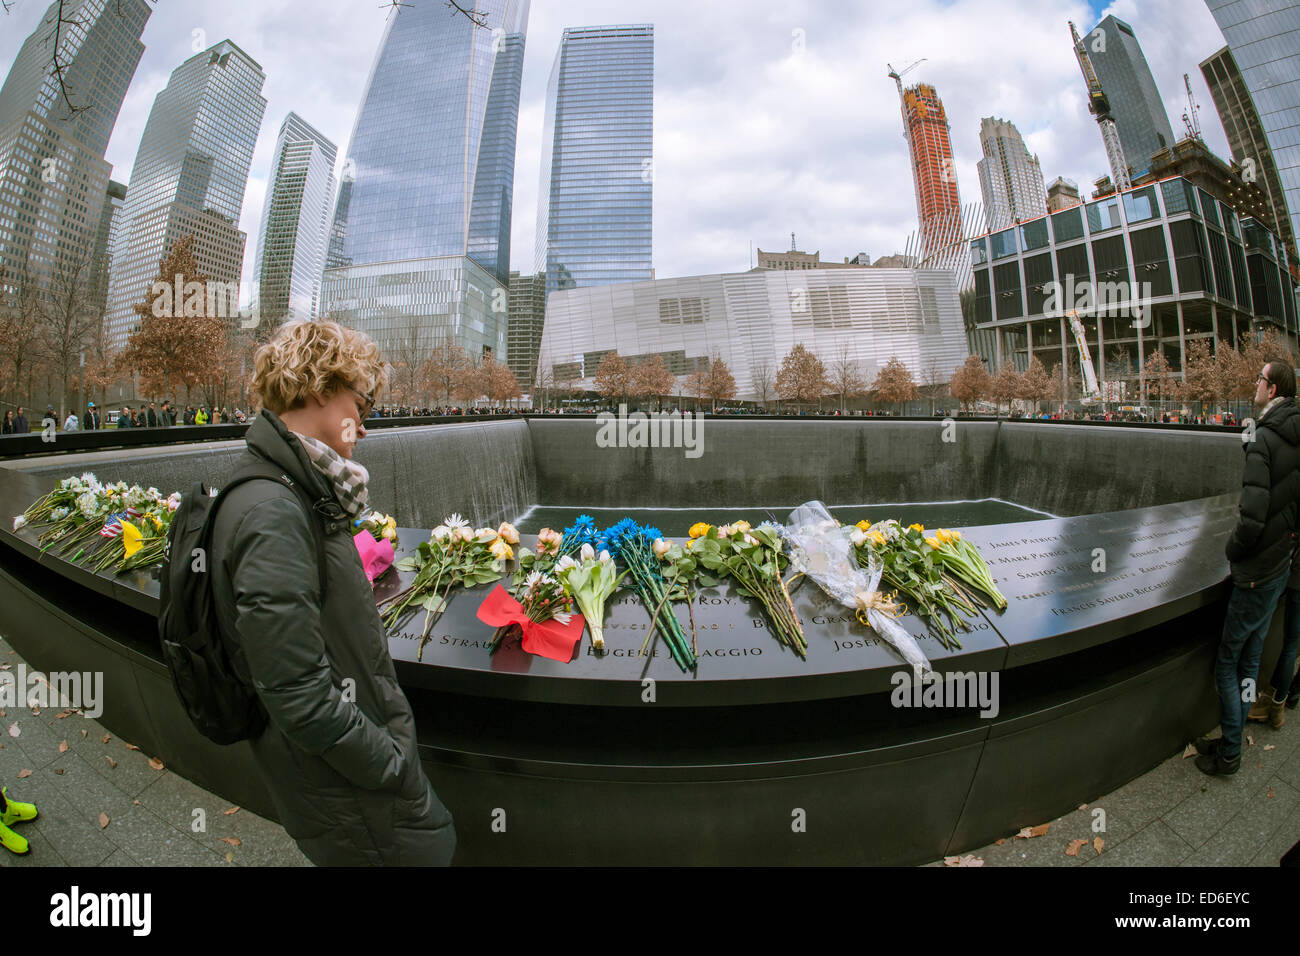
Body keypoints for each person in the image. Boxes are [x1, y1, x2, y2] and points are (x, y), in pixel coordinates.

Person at [209, 317, 455, 865]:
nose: (364, 426)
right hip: (348, 787)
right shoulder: (275, 510)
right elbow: (296, 692)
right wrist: (389, 761)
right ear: (320, 386)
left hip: (341, 775)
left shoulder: (291, 489)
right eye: (362, 405)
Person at [1196, 359, 1300, 775]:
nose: (1254, 383)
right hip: (1280, 566)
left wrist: (1233, 551)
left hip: (1256, 570)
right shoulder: (1290, 432)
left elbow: (1253, 517)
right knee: (1251, 661)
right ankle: (1232, 740)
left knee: (1227, 661)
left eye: (1259, 378)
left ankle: (1231, 752)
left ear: (1271, 390)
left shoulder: (1265, 440)